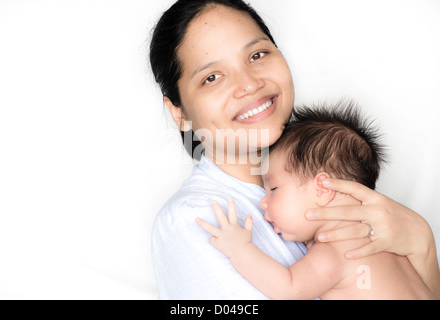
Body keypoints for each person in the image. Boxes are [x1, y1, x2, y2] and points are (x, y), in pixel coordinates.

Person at [149, 0, 440, 299]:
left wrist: (423, 244)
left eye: (257, 54)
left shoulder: (342, 191)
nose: (249, 84)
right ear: (179, 112)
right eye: (211, 77)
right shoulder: (195, 219)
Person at [196, 102, 434, 299]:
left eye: (274, 189)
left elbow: (288, 288)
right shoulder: (388, 245)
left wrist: (241, 250)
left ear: (322, 188)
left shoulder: (334, 252)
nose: (263, 202)